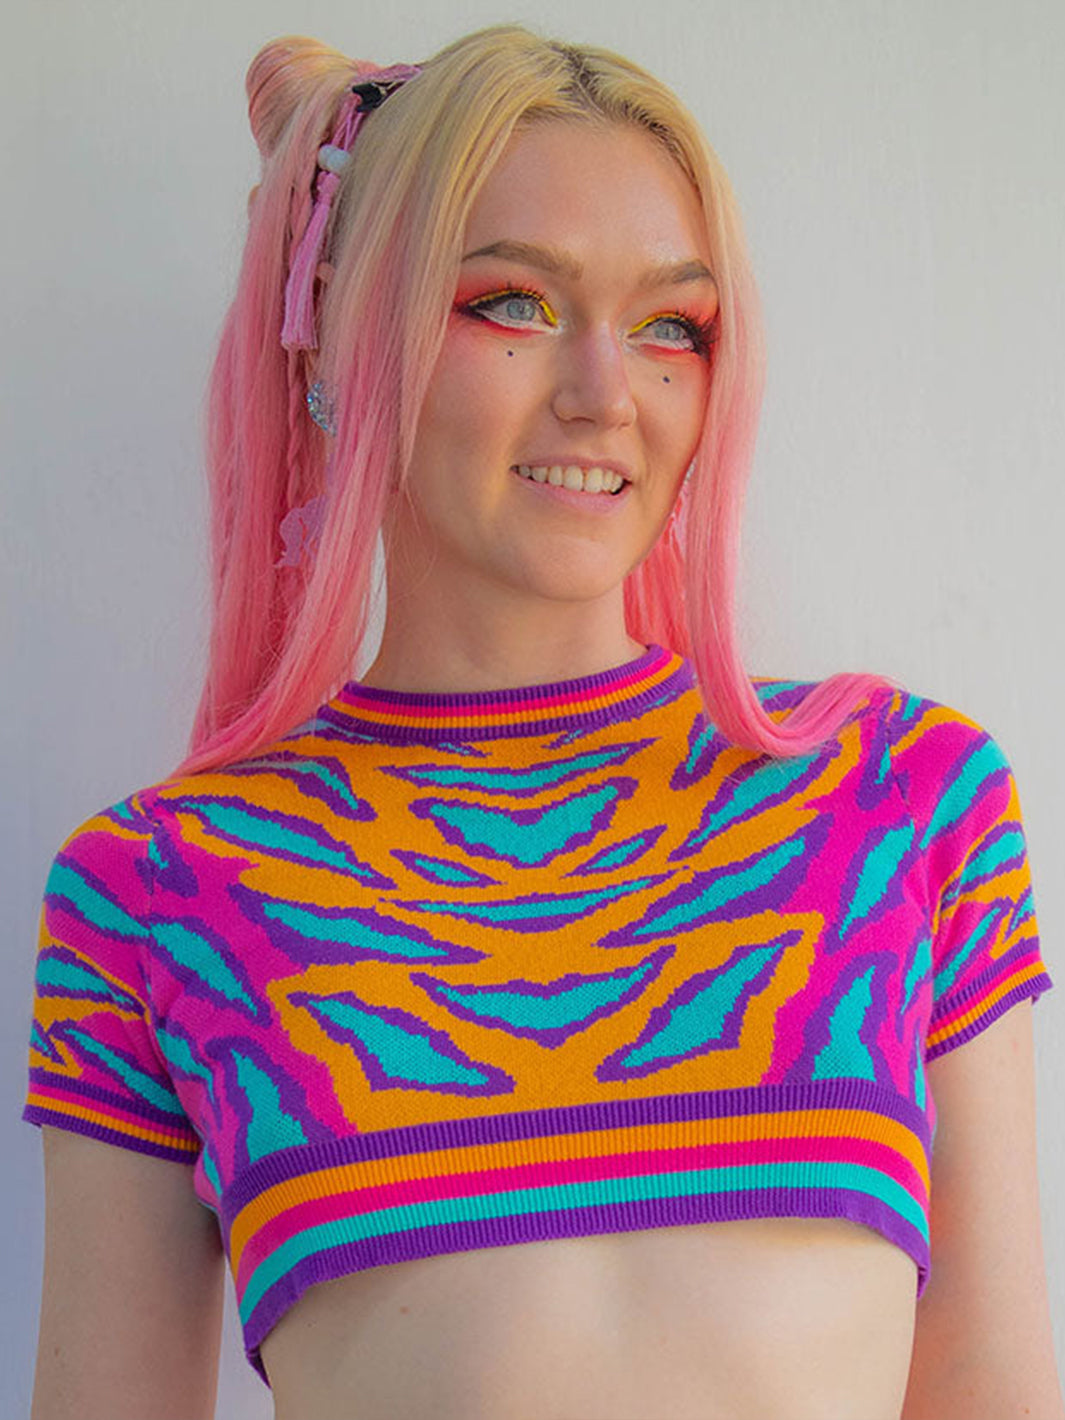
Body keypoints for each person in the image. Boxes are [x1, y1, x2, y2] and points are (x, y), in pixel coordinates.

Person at [23, 23, 1062, 1420]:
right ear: (332, 330)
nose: (604, 394)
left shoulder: (904, 797)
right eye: (510, 303)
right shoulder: (158, 889)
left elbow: (994, 1382)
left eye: (671, 326)